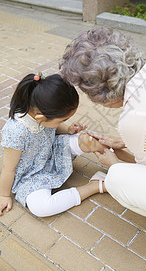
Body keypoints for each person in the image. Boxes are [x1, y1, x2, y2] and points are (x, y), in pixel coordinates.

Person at [59, 27, 146, 254]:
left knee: (118, 179)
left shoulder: (134, 119)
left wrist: (112, 163)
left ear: (99, 95)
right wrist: (126, 142)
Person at [0, 73, 107, 218]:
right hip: (31, 175)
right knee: (42, 208)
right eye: (63, 119)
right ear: (41, 117)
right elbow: (9, 168)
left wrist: (67, 129)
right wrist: (4, 195)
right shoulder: (16, 132)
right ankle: (94, 186)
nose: (65, 121)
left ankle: (115, 163)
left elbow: (52, 126)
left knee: (86, 140)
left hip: (52, 151)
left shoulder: (42, 112)